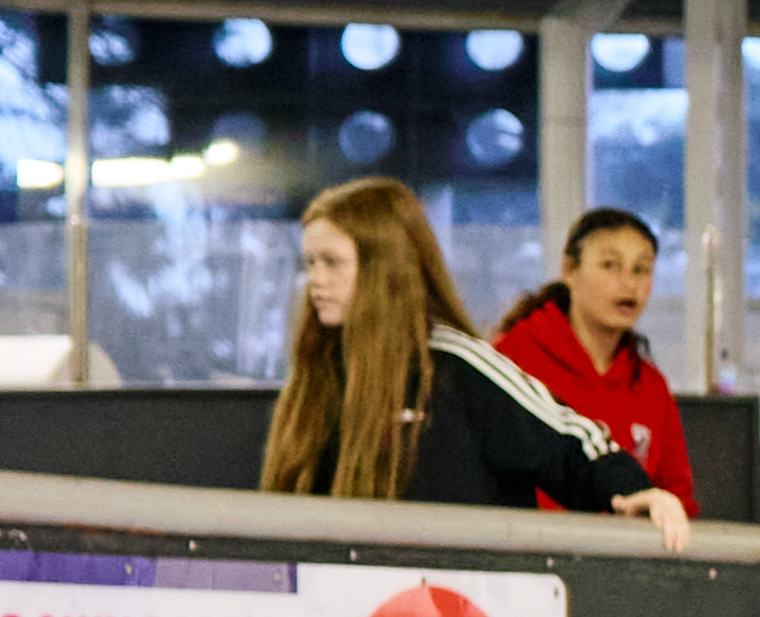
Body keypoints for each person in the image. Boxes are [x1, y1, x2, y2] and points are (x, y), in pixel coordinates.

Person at [262, 177, 683, 525]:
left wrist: (635, 492)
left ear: (383, 268)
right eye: (310, 263)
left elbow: (574, 442)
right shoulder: (318, 373)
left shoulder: (456, 365)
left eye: (332, 262)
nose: (315, 280)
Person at [485, 207, 699, 514]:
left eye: (641, 269)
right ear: (570, 269)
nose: (629, 282)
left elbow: (677, 497)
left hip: (625, 556)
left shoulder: (649, 384)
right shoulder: (511, 358)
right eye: (610, 265)